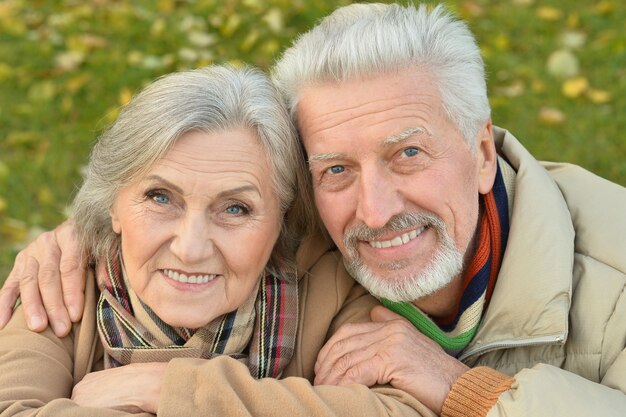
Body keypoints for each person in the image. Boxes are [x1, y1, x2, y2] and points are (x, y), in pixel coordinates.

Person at [2, 3, 626, 416]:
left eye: (408, 152)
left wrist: (462, 391)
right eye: (336, 169)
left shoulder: (616, 267)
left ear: (481, 149)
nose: (376, 212)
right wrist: (92, 229)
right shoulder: (71, 287)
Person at [0, 64, 427, 416]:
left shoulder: (329, 287)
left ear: (282, 218)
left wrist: (175, 389)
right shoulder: (60, 291)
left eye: (235, 208)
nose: (191, 248)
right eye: (160, 197)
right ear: (113, 204)